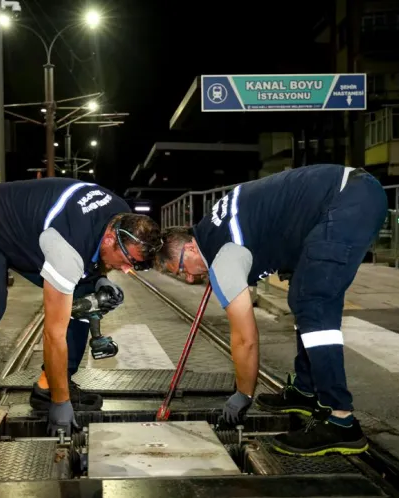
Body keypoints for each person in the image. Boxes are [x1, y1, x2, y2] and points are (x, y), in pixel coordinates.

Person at [0, 178, 161, 437]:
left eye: (134, 265)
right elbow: (53, 334)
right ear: (110, 239)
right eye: (127, 260)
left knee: (83, 298)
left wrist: (98, 277)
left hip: (29, 234)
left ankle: (48, 386)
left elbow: (92, 252)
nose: (126, 270)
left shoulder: (120, 215)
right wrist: (61, 404)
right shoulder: (67, 245)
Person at [156, 164, 387, 456]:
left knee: (313, 301)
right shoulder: (213, 229)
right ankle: (306, 391)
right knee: (302, 295)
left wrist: (243, 393)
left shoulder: (223, 256)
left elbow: (245, 338)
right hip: (345, 196)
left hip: (348, 200)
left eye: (180, 269)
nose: (188, 278)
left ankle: (341, 420)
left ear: (190, 248)